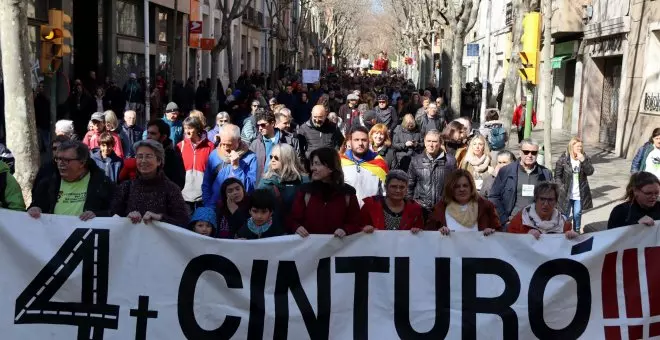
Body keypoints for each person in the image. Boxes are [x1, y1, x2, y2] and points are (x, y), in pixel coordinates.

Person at [110, 139, 189, 227]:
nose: (143, 161)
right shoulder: (126, 187)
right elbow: (112, 216)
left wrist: (160, 217)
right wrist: (126, 218)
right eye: (140, 156)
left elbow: (183, 222)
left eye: (148, 156)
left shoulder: (171, 189)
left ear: (159, 161)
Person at [29, 141, 115, 220]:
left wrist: (97, 215)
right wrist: (35, 209)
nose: (60, 164)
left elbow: (115, 212)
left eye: (66, 160)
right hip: (52, 235)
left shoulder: (102, 183)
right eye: (58, 159)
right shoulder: (47, 183)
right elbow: (36, 205)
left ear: (82, 162)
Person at [287, 147, 361, 237]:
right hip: (310, 248)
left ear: (331, 167)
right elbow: (292, 219)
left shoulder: (347, 194)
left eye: (317, 164)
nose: (313, 168)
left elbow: (356, 222)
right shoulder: (305, 192)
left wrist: (345, 229)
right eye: (312, 164)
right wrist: (297, 227)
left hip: (339, 248)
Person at [489, 139, 552, 225]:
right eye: (526, 152)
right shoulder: (506, 171)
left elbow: (553, 199)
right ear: (520, 152)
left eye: (533, 152)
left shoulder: (545, 173)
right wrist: (504, 219)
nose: (530, 155)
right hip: (512, 221)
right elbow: (494, 196)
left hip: (537, 223)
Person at [426, 169, 500, 235]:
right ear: (451, 189)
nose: (462, 189)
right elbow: (429, 236)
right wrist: (438, 233)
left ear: (471, 187)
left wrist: (491, 232)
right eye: (457, 186)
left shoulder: (486, 207)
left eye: (465, 185)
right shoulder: (440, 209)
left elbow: (500, 234)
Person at [202, 124, 257, 207]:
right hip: (215, 207)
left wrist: (236, 167)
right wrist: (208, 205)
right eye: (223, 144)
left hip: (240, 208)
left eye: (229, 145)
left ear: (239, 140)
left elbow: (250, 188)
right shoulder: (214, 154)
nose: (225, 148)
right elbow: (206, 183)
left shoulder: (250, 158)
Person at [407, 130, 457, 216]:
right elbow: (409, 185)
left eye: (434, 141)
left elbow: (455, 185)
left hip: (444, 208)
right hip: (420, 208)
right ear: (424, 142)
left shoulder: (450, 161)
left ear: (440, 142)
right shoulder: (415, 161)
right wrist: (410, 206)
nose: (431, 145)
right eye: (428, 141)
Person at [508, 182, 577, 240]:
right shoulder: (521, 219)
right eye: (542, 199)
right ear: (536, 199)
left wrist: (573, 238)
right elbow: (508, 242)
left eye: (550, 200)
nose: (546, 204)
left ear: (556, 202)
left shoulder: (564, 224)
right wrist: (525, 236)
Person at [258, 143, 307, 222]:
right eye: (271, 157)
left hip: (299, 226)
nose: (272, 160)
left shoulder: (304, 181)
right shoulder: (266, 181)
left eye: (276, 158)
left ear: (287, 159)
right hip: (275, 226)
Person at [249, 110, 302, 184]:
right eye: (258, 125)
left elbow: (298, 164)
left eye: (263, 125)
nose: (260, 128)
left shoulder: (290, 141)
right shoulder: (255, 144)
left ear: (273, 123)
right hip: (262, 185)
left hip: (285, 184)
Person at [554, 137, 594, 233]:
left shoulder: (585, 158)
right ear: (571, 147)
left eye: (581, 146)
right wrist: (561, 188)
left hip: (579, 193)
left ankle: (576, 232)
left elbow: (590, 172)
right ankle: (563, 232)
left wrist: (583, 161)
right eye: (577, 147)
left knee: (577, 214)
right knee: (565, 215)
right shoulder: (563, 160)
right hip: (566, 193)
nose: (579, 148)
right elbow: (557, 176)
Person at [341, 126, 389, 206]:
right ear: (350, 142)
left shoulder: (379, 163)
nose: (360, 143)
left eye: (364, 140)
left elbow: (385, 193)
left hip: (371, 213)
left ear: (369, 141)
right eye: (356, 140)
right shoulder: (341, 163)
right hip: (347, 212)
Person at [178, 116, 215, 212]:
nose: (187, 131)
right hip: (184, 197)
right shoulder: (179, 146)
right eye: (185, 128)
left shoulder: (210, 146)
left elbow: (214, 171)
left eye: (190, 128)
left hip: (203, 197)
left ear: (197, 128)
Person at [144, 119, 186, 189]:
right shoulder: (144, 154)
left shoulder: (173, 157)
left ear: (163, 137)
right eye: (148, 133)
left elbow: (179, 183)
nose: (148, 136)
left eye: (153, 134)